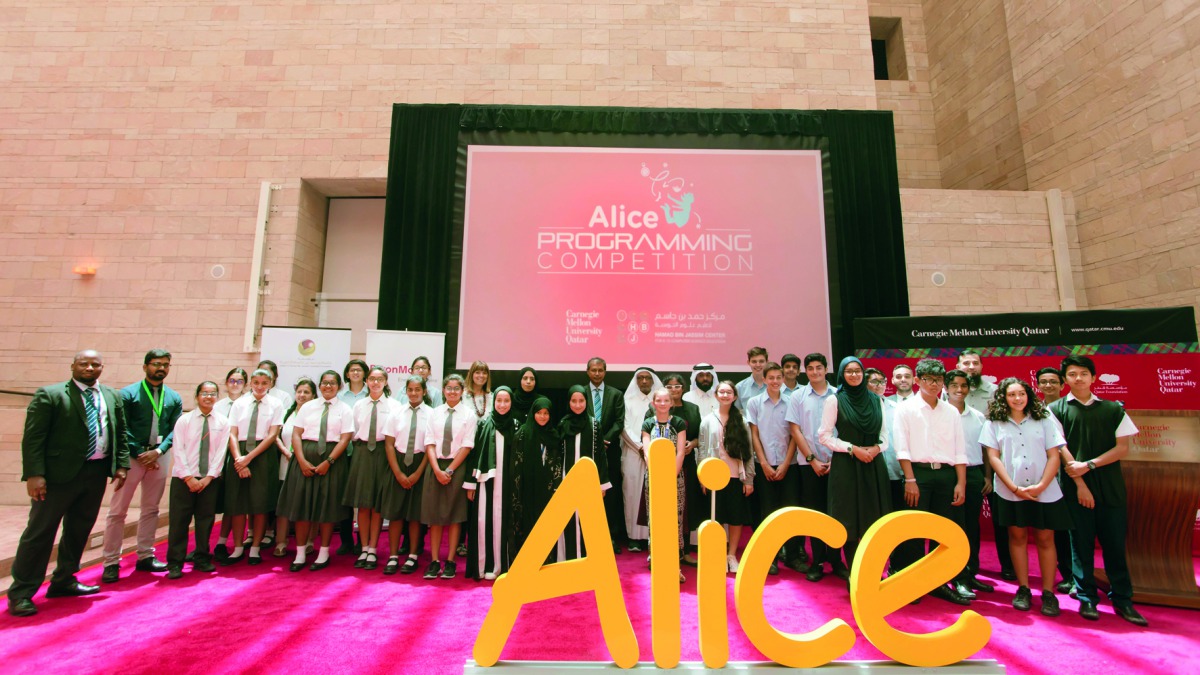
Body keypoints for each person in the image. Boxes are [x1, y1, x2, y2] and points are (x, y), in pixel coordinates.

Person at [8, 351, 130, 618]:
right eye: (83, 363)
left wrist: (121, 465)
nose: (89, 367)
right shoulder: (50, 395)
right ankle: (21, 592)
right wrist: (34, 474)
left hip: (95, 472)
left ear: (102, 367)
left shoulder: (111, 395)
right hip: (56, 477)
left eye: (95, 364)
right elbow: (33, 437)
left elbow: (119, 431)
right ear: (72, 366)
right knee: (40, 532)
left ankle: (64, 580)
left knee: (78, 529)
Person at [1050, 355, 1146, 626]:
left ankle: (1123, 600)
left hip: (1110, 486)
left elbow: (1123, 448)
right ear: (1065, 380)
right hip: (1074, 487)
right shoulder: (1055, 410)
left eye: (1083, 373)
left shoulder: (1114, 409)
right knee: (1080, 545)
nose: (1077, 378)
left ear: (1093, 377)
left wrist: (1089, 465)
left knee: (1115, 544)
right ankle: (1087, 598)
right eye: (1071, 374)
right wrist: (1080, 483)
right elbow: (1060, 448)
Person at [981, 377, 1073, 617]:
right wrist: (1012, 487)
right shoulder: (994, 421)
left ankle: (1048, 593)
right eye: (1011, 395)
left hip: (1045, 491)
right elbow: (994, 457)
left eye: (1021, 393)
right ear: (1004, 397)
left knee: (1045, 539)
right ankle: (1023, 589)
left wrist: (1042, 485)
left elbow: (1055, 455)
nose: (1017, 398)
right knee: (1017, 536)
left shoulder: (1044, 418)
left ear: (1028, 395)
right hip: (1010, 491)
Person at [892, 358, 972, 605]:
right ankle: (913, 583)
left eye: (938, 380)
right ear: (917, 381)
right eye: (928, 379)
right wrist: (910, 479)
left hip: (947, 476)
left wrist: (961, 483)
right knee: (915, 530)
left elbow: (960, 449)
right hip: (918, 475)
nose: (934, 385)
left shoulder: (951, 411)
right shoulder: (905, 409)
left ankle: (939, 582)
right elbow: (901, 448)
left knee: (944, 532)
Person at [101, 348, 183, 583]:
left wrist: (158, 451)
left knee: (151, 508)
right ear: (145, 366)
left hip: (159, 456)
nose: (161, 368)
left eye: (166, 365)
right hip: (131, 458)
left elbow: (175, 429)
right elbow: (121, 426)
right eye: (157, 364)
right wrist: (141, 452)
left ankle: (146, 555)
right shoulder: (127, 394)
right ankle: (111, 562)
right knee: (118, 511)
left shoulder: (173, 397)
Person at [817, 357, 891, 585]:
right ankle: (854, 575)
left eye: (857, 371)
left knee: (874, 519)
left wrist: (875, 449)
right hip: (847, 465)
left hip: (873, 464)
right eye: (848, 371)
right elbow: (824, 436)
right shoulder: (835, 400)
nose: (854, 375)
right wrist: (852, 449)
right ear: (842, 374)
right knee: (849, 519)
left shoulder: (876, 400)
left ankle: (872, 572)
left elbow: (885, 436)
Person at [278, 370, 354, 572]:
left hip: (332, 460)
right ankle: (301, 553)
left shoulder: (345, 409)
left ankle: (323, 553)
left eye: (332, 383)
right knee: (302, 508)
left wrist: (329, 461)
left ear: (339, 386)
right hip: (304, 457)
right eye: (324, 383)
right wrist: (301, 460)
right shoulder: (308, 407)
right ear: (319, 386)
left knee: (326, 508)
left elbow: (345, 438)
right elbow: (296, 433)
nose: (328, 386)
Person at [165, 382, 232, 579]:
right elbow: (178, 449)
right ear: (197, 396)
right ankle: (175, 563)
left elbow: (221, 453)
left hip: (209, 481)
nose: (208, 397)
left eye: (212, 394)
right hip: (183, 479)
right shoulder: (184, 421)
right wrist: (188, 477)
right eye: (204, 393)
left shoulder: (223, 422)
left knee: (205, 521)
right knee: (179, 522)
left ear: (217, 397)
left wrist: (209, 477)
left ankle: (202, 558)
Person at [221, 368, 284, 565]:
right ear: (250, 384)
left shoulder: (276, 404)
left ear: (270, 384)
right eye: (256, 382)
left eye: (264, 383)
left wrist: (250, 458)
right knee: (238, 504)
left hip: (262, 454)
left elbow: (273, 435)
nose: (259, 386)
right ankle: (238, 547)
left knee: (260, 503)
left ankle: (255, 548)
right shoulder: (239, 403)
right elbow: (232, 433)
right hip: (238, 453)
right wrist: (239, 459)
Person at [786, 353, 839, 579]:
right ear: (805, 371)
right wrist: (812, 460)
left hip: (838, 464)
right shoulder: (798, 396)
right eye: (810, 368)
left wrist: (836, 459)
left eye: (819, 367)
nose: (815, 372)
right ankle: (817, 560)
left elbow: (843, 429)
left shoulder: (838, 394)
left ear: (826, 369)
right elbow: (795, 430)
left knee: (836, 513)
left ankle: (837, 562)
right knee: (815, 514)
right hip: (809, 465)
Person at [421, 374, 478, 580]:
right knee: (435, 517)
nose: (452, 391)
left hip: (457, 467)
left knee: (455, 517)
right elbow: (429, 442)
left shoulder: (468, 415)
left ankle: (451, 561)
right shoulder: (434, 413)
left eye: (456, 388)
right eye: (449, 388)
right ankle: (435, 561)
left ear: (462, 391)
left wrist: (450, 470)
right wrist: (436, 469)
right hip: (435, 466)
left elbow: (467, 445)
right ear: (443, 390)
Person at [944, 369, 995, 598]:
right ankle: (952, 576)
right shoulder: (940, 414)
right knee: (952, 527)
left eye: (963, 385)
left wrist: (987, 476)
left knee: (972, 527)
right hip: (948, 475)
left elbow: (985, 450)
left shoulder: (978, 416)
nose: (959, 389)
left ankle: (970, 573)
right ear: (946, 388)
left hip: (974, 474)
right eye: (953, 385)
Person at [745, 362, 798, 576]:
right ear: (764, 379)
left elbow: (795, 433)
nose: (775, 381)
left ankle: (793, 556)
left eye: (779, 377)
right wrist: (764, 463)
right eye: (771, 378)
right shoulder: (755, 402)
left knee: (791, 511)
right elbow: (754, 435)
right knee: (767, 512)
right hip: (763, 465)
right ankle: (770, 558)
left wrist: (785, 463)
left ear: (783, 379)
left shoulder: (792, 401)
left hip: (790, 465)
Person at [696, 381, 755, 573]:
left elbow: (749, 451)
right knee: (718, 517)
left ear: (735, 396)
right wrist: (703, 477)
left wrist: (749, 480)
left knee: (736, 518)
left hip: (736, 476)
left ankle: (732, 555)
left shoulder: (742, 421)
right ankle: (720, 554)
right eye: (721, 392)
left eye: (729, 392)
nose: (725, 395)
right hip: (714, 476)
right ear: (716, 395)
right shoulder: (707, 420)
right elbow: (702, 450)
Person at [344, 366, 398, 571]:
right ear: (366, 381)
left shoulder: (394, 405)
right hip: (362, 453)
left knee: (377, 505)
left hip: (383, 454)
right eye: (372, 379)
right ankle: (364, 547)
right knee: (363, 504)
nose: (375, 383)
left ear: (385, 382)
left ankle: (374, 549)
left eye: (379, 379)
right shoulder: (358, 405)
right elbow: (355, 431)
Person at [464, 386, 520, 579]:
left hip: (508, 485)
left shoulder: (517, 425)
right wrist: (470, 484)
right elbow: (473, 456)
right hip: (486, 484)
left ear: (512, 402)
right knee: (484, 521)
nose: (502, 405)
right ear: (494, 402)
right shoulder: (484, 424)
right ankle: (485, 565)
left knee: (507, 522)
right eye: (499, 401)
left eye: (506, 401)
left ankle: (505, 566)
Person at [381, 375, 432, 575]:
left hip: (421, 463)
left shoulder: (432, 414)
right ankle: (393, 556)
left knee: (415, 515)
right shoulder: (395, 413)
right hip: (398, 465)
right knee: (396, 514)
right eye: (410, 389)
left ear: (424, 391)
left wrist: (419, 473)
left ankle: (412, 555)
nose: (413, 393)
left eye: (417, 389)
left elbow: (431, 446)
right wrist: (398, 472)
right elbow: (389, 444)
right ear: (405, 391)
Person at [556, 385, 611, 561]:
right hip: (567, 480)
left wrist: (602, 484)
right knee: (568, 520)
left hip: (589, 482)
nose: (578, 405)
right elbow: (557, 455)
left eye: (581, 401)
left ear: (586, 402)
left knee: (589, 521)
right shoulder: (563, 423)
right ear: (569, 402)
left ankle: (590, 559)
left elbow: (601, 456)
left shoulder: (594, 424)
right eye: (574, 401)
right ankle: (569, 558)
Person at [653, 374, 703, 564]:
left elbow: (699, 435)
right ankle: (660, 551)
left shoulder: (692, 409)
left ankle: (685, 551)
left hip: (686, 464)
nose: (674, 390)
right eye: (669, 386)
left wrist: (693, 444)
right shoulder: (656, 409)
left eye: (677, 386)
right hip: (661, 467)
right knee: (661, 508)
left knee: (686, 508)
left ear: (683, 388)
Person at [642, 387, 688, 582]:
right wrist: (657, 475)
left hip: (674, 478)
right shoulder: (647, 423)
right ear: (653, 403)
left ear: (671, 403)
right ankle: (656, 558)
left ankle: (675, 564)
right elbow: (646, 451)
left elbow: (680, 452)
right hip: (653, 477)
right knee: (654, 518)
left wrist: (671, 475)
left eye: (665, 401)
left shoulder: (678, 423)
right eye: (658, 401)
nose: (662, 404)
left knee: (674, 519)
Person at [1036, 365, 1074, 592]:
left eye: (1053, 381)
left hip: (1072, 472)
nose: (1048, 385)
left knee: (1074, 527)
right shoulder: (1034, 410)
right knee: (1056, 527)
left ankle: (1077, 575)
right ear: (1038, 385)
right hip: (1049, 475)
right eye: (1044, 381)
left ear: (1062, 385)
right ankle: (1066, 573)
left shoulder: (1070, 407)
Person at [585, 357, 626, 554]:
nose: (597, 373)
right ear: (587, 371)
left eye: (600, 370)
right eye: (593, 370)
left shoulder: (616, 394)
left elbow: (619, 421)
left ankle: (611, 537)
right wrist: (592, 439)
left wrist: (604, 440)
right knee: (588, 495)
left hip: (610, 451)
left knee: (611, 495)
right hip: (586, 451)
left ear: (605, 371)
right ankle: (587, 539)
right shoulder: (580, 392)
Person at [513, 397, 562, 556]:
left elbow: (557, 463)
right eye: (539, 413)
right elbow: (516, 463)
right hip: (527, 490)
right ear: (533, 413)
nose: (542, 416)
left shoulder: (554, 435)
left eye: (546, 413)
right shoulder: (522, 433)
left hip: (547, 490)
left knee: (547, 527)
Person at [272, 378, 315, 558]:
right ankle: (281, 542)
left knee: (308, 505)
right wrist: (285, 451)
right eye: (299, 392)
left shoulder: (315, 413)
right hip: (286, 463)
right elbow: (275, 435)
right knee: (284, 504)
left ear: (313, 395)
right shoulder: (286, 412)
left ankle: (309, 541)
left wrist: (299, 457)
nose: (302, 395)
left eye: (306, 392)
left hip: (305, 464)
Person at [621, 367, 661, 551]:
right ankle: (633, 537)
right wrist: (640, 446)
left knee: (656, 494)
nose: (644, 381)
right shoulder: (627, 401)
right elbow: (624, 427)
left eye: (647, 378)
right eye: (640, 378)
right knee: (632, 493)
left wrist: (652, 448)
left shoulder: (659, 401)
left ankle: (654, 536)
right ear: (636, 381)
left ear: (653, 381)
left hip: (658, 453)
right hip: (633, 452)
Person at [213, 366, 249, 557]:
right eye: (232, 381)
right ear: (226, 383)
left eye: (240, 381)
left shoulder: (247, 404)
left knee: (235, 503)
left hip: (238, 457)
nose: (235, 384)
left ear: (245, 385)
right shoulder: (217, 405)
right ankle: (219, 542)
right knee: (223, 502)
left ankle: (233, 543)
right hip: (217, 458)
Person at [958, 348, 996, 415]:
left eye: (975, 363)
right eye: (966, 363)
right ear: (958, 367)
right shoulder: (949, 390)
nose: (971, 367)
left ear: (981, 366)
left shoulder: (994, 390)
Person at [735, 346, 769, 411]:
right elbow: (736, 412)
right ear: (748, 362)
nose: (758, 365)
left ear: (767, 362)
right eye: (754, 362)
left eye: (761, 361)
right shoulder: (740, 387)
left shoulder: (774, 385)